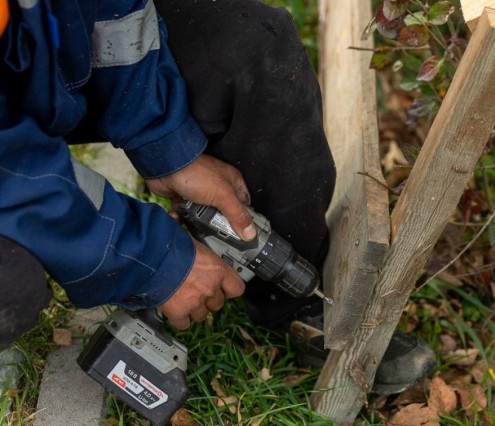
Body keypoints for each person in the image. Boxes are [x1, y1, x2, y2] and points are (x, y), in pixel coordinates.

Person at [0, 0, 435, 398]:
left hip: (41, 56)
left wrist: (166, 143)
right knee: (11, 286)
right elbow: (13, 171)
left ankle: (296, 310)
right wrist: (152, 259)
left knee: (252, 41)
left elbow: (118, 16)